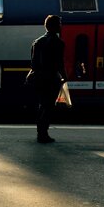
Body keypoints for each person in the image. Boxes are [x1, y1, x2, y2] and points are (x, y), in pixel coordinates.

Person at [30, 15, 67, 143]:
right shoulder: (59, 43)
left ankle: (40, 132)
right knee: (49, 106)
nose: (61, 26)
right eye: (60, 23)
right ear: (56, 26)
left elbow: (33, 63)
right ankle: (43, 134)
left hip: (38, 78)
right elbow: (59, 64)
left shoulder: (37, 42)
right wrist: (65, 77)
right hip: (51, 78)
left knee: (42, 105)